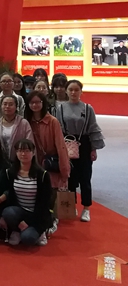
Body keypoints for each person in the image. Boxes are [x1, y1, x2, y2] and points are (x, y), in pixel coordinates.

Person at [55, 80, 105, 223]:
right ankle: (72, 206)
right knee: (69, 177)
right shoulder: (60, 108)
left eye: (76, 90)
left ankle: (86, 208)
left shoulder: (88, 108)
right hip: (67, 144)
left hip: (84, 145)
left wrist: (93, 149)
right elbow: (58, 128)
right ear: (66, 91)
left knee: (85, 177)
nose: (73, 92)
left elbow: (93, 128)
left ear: (81, 92)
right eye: (70, 89)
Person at [25, 91, 70, 234]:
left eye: (38, 102)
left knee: (51, 194)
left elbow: (61, 146)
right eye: (32, 102)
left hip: (50, 163)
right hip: (33, 163)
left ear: (43, 103)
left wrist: (64, 169)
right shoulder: (26, 121)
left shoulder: (52, 121)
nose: (35, 105)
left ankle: (52, 221)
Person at [2, 139, 52, 246]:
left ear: (33, 153)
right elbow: (10, 197)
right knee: (7, 212)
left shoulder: (42, 175)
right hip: (19, 212)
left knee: (27, 238)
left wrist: (29, 222)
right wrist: (18, 222)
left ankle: (41, 232)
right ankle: (17, 230)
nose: (23, 154)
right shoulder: (10, 172)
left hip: (37, 214)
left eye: (26, 150)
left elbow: (45, 203)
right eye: (20, 150)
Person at [0, 96, 34, 160]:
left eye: (11, 104)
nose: (7, 106)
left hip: (20, 159)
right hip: (0, 160)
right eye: (5, 104)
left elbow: (30, 143)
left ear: (16, 107)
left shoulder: (23, 123)